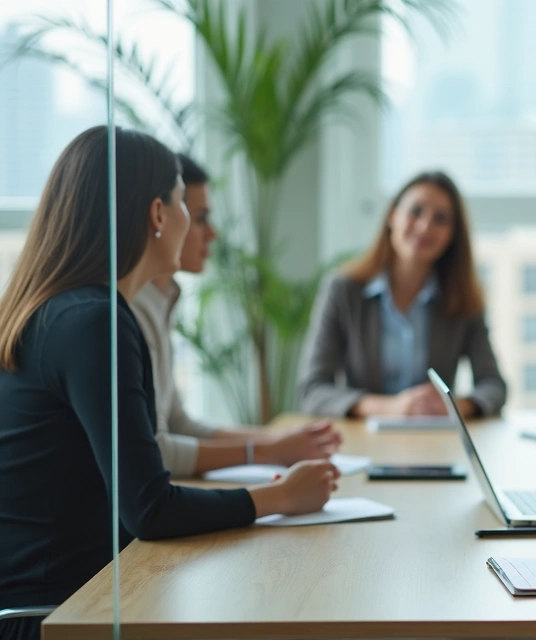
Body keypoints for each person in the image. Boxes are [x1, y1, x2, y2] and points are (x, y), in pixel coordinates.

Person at [0, 126, 337, 640]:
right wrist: (281, 498)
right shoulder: (97, 322)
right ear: (157, 214)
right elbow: (150, 509)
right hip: (58, 618)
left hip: (74, 602)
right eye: (183, 201)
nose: (192, 222)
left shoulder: (65, 311)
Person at [130, 153, 342, 478]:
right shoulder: (129, 310)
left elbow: (177, 423)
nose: (211, 234)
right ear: (158, 216)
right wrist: (268, 452)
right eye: (198, 217)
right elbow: (156, 451)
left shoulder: (161, 298)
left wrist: (279, 440)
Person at [297, 171, 506, 419]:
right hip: (362, 442)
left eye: (441, 219)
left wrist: (452, 406)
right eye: (415, 211)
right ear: (392, 216)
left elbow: (494, 386)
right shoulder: (344, 290)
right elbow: (311, 390)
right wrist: (391, 408)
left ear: (452, 235)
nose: (425, 226)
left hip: (435, 444)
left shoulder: (463, 299)